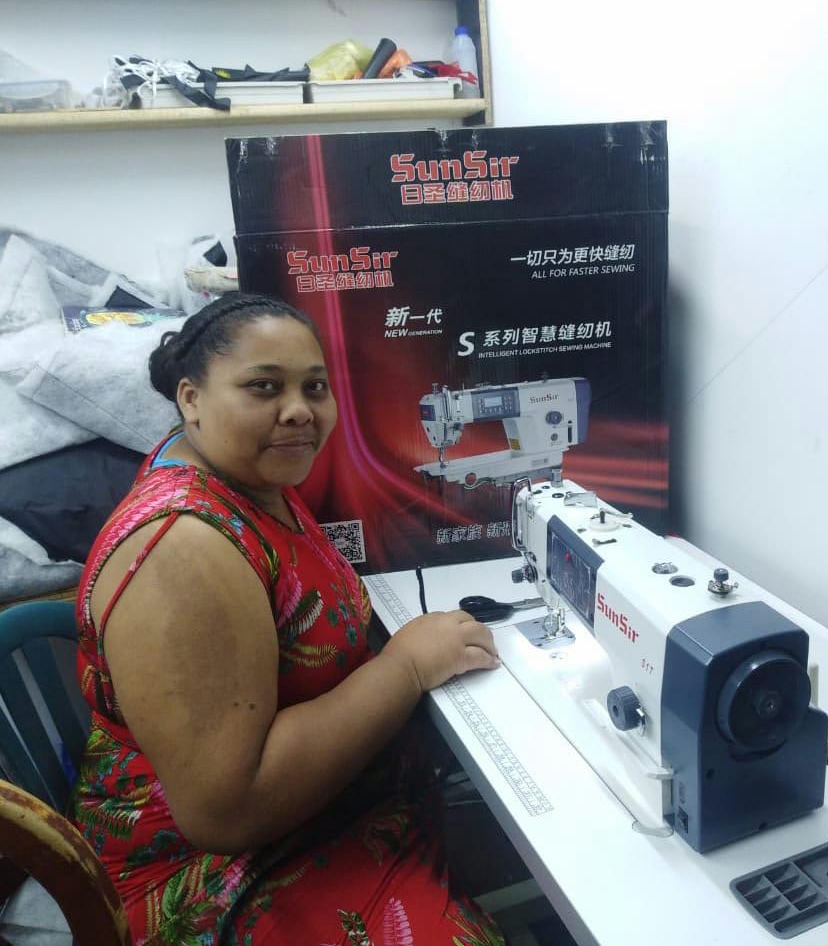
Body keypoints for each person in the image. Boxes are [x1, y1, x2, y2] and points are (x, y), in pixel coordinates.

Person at [69, 292, 504, 945]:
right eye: (264, 386)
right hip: (215, 874)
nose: (299, 409)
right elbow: (227, 809)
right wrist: (407, 666)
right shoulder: (182, 548)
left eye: (315, 387)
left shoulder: (250, 480)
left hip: (319, 816)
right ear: (191, 399)